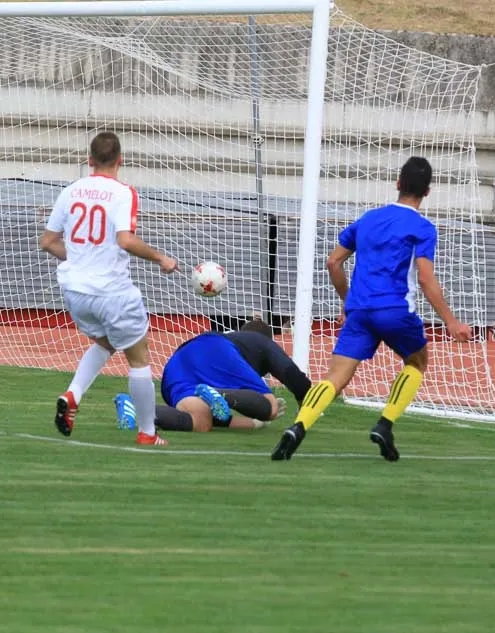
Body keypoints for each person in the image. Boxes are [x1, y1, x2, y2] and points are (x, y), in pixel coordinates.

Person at [271, 156, 471, 462]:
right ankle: (385, 424)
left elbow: (333, 262)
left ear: (397, 183)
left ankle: (298, 427)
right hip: (394, 309)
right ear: (427, 192)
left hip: (360, 311)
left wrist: (347, 301)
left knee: (335, 378)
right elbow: (426, 279)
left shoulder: (367, 220)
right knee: (417, 361)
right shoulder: (422, 228)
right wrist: (451, 322)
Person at [39, 131, 178, 446]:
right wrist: (161, 258)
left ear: (89, 160)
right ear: (120, 160)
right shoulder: (123, 192)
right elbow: (125, 240)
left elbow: (47, 242)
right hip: (110, 290)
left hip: (75, 291)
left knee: (104, 342)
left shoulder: (70, 191)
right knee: (139, 356)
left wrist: (81, 259)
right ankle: (148, 432)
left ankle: (73, 395)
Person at [114, 318, 312, 433]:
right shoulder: (261, 342)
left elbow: (218, 416)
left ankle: (136, 408)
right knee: (271, 406)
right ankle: (220, 393)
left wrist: (253, 424)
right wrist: (305, 412)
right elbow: (296, 379)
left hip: (178, 364)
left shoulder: (236, 341)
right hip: (217, 350)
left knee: (201, 421)